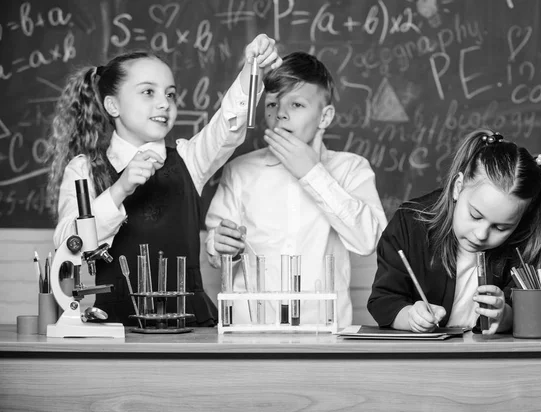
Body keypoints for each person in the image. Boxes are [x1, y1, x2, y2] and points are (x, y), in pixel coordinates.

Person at [47, 34, 282, 326]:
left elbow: (228, 125)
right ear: (112, 106)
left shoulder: (189, 158)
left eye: (170, 94)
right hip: (116, 327)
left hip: (190, 324)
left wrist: (251, 70)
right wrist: (119, 189)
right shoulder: (84, 168)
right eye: (148, 92)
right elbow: (68, 246)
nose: (164, 103)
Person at [205, 51, 387, 328]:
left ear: (324, 117)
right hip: (248, 333)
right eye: (272, 104)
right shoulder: (239, 170)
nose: (281, 114)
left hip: (324, 334)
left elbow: (368, 241)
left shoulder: (351, 169)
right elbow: (217, 251)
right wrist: (221, 245)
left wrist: (312, 174)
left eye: (297, 104)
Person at [367, 129, 541, 335]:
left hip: (494, 360)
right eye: (475, 215)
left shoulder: (524, 239)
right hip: (423, 361)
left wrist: (505, 316)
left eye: (500, 227)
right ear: (457, 187)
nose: (481, 234)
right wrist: (410, 317)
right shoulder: (411, 222)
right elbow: (383, 300)